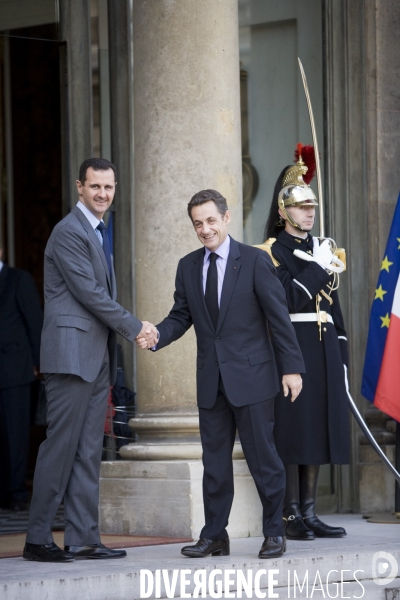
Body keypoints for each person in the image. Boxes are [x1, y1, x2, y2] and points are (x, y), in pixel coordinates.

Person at [136, 189, 305, 559]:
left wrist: (291, 368)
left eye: (211, 220)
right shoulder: (188, 266)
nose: (205, 229)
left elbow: (279, 318)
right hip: (212, 383)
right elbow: (182, 316)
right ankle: (215, 535)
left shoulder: (256, 261)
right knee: (214, 464)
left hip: (254, 380)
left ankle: (274, 531)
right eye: (198, 223)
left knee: (264, 461)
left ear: (226, 219)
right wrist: (157, 335)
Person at [24, 158, 157, 563]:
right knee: (60, 447)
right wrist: (136, 326)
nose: (103, 194)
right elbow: (91, 295)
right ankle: (36, 538)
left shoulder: (96, 231)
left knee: (87, 449)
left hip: (96, 355)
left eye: (109, 188)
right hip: (71, 355)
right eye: (95, 186)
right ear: (79, 187)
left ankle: (83, 538)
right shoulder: (69, 232)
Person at [260, 146, 350, 540]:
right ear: (283, 211)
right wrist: (318, 264)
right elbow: (289, 299)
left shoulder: (323, 249)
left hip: (324, 346)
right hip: (291, 345)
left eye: (312, 205)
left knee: (317, 428)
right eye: (300, 206)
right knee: (293, 429)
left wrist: (342, 354)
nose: (309, 212)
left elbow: (334, 309)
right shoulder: (270, 253)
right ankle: (290, 514)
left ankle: (310, 512)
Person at [0, 240, 43, 511]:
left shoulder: (18, 279)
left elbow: (35, 323)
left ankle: (16, 493)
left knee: (14, 436)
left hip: (14, 372)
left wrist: (41, 363)